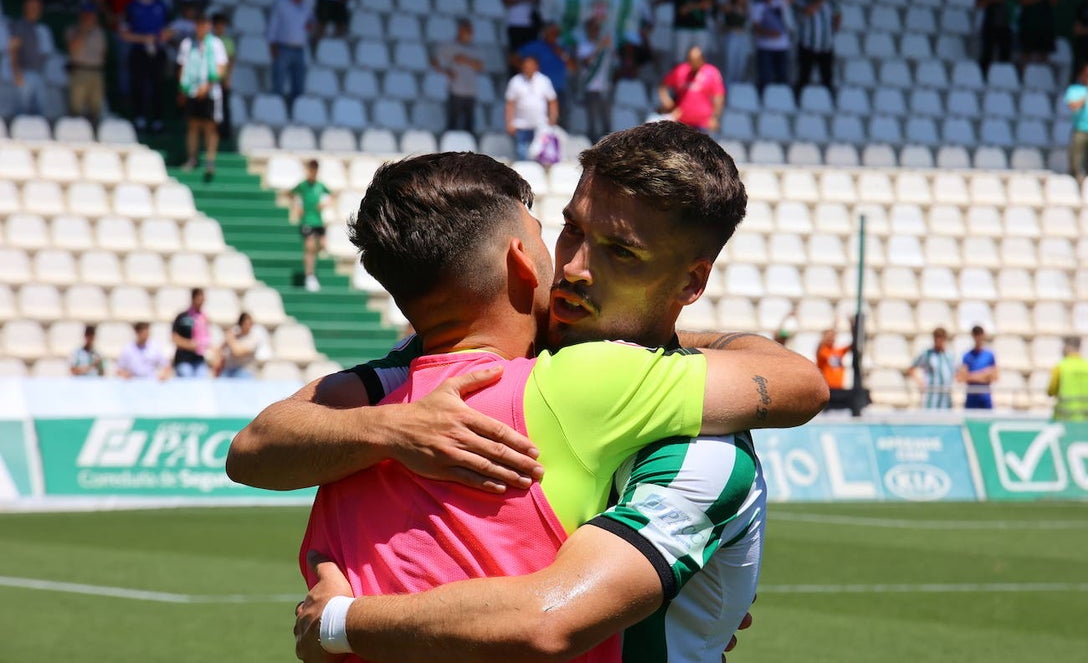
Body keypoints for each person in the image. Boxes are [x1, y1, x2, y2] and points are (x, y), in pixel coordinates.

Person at [225, 128, 828, 661]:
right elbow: (257, 444)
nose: (573, 269)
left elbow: (802, 384)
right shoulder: (463, 366)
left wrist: (339, 622)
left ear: (691, 281)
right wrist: (397, 429)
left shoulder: (703, 443)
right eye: (570, 229)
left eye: (620, 251)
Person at [176, 12, 228, 182]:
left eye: (205, 24)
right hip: (191, 89)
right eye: (199, 23)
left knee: (210, 127)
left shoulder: (216, 44)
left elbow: (221, 68)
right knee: (193, 125)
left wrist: (207, 86)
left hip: (210, 91)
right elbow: (182, 67)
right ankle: (192, 158)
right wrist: (183, 89)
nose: (202, 27)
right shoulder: (187, 44)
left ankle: (210, 160)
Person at [120, 0, 171, 133]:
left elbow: (168, 30)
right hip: (139, 51)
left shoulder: (161, 6)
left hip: (157, 51)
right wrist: (143, 38)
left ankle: (157, 120)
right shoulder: (132, 7)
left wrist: (162, 37)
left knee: (158, 85)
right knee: (139, 84)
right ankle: (139, 118)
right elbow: (124, 33)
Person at [267, 0, 314, 107]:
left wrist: (311, 24)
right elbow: (273, 24)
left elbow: (311, 20)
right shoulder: (281, 2)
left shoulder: (306, 4)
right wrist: (272, 44)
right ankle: (277, 110)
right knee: (279, 83)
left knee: (299, 84)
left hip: (299, 49)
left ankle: (296, 112)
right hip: (283, 47)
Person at [515, 22, 575, 125]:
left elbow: (573, 67)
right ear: (545, 33)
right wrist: (526, 70)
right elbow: (514, 58)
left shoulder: (562, 48)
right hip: (540, 92)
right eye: (552, 32)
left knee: (561, 123)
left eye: (556, 33)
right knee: (542, 123)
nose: (555, 35)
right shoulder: (535, 46)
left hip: (559, 91)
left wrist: (561, 53)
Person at [432, 18, 484, 136]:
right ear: (460, 31)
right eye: (467, 31)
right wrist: (446, 72)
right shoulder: (450, 46)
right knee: (452, 123)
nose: (470, 34)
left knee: (469, 125)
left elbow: (480, 66)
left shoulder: (475, 48)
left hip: (470, 91)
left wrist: (466, 60)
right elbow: (434, 60)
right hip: (456, 90)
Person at [658, 45, 725, 134]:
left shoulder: (712, 72)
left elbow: (719, 96)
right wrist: (668, 103)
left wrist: (715, 117)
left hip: (703, 123)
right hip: (681, 121)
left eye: (696, 60)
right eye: (691, 60)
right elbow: (663, 85)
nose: (693, 63)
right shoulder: (681, 70)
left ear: (702, 59)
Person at [656, 0, 711, 66]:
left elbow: (707, 3)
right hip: (681, 27)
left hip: (699, 27)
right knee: (679, 58)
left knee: (699, 58)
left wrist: (690, 7)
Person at [793, 0, 840, 100]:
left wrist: (834, 26)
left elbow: (837, 13)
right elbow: (808, 11)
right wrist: (820, 1)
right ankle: (799, 99)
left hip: (826, 46)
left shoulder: (829, 1)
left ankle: (829, 100)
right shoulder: (801, 1)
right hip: (808, 45)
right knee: (804, 76)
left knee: (827, 77)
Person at [504, 54, 558, 162]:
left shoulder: (544, 81)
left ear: (536, 67)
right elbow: (510, 103)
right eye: (526, 65)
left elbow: (552, 101)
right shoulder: (515, 81)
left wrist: (553, 117)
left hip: (540, 124)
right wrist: (509, 122)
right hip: (521, 125)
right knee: (522, 155)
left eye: (530, 65)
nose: (528, 68)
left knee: (540, 155)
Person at [290, 159, 332, 293]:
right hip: (307, 220)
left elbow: (330, 195)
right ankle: (309, 275)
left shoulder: (320, 186)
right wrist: (297, 206)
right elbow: (291, 194)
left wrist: (325, 204)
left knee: (319, 247)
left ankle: (311, 274)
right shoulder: (303, 185)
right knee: (309, 246)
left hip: (318, 221)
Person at [751, 0, 797, 91]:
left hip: (782, 46)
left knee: (782, 77)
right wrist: (769, 33)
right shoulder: (757, 6)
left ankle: (781, 101)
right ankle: (764, 100)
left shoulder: (780, 1)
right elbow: (755, 27)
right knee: (765, 78)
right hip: (765, 47)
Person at [65, 4, 107, 127]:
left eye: (93, 15)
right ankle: (74, 132)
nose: (91, 18)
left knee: (96, 107)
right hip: (79, 70)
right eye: (88, 15)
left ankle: (94, 133)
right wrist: (84, 31)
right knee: (76, 107)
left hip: (96, 71)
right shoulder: (72, 30)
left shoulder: (99, 32)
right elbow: (72, 49)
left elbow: (103, 53)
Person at [8, 0, 50, 117]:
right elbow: (13, 50)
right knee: (22, 111)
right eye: (32, 7)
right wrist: (17, 73)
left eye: (37, 7)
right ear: (25, 8)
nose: (35, 10)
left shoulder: (40, 28)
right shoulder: (19, 25)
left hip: (39, 74)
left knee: (39, 112)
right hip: (24, 74)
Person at [575, 16, 613, 143]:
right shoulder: (583, 45)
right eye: (592, 28)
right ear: (587, 30)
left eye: (597, 28)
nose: (595, 31)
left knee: (606, 120)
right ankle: (593, 146)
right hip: (590, 88)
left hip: (604, 87)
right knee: (592, 121)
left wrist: (606, 46)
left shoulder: (605, 46)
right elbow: (587, 62)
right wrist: (600, 47)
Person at [1016, 0, 1058, 72]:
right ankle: (1023, 78)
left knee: (1043, 54)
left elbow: (1054, 2)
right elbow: (1023, 0)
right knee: (1026, 53)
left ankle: (1041, 77)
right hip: (1029, 23)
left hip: (1045, 24)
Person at [1047, 336, 1088, 422]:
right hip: (1084, 420)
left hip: (1062, 419)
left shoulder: (1060, 366)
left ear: (1066, 347)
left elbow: (1050, 391)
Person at [976, 0, 1013, 79]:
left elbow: (1013, 3)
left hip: (1004, 24)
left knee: (1005, 52)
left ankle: (1002, 77)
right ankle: (983, 76)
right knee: (987, 52)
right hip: (990, 24)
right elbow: (979, 4)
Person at [905, 327, 955, 410]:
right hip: (932, 396)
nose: (939, 340)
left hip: (946, 397)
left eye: (941, 338)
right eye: (937, 337)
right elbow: (911, 368)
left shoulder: (950, 355)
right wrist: (920, 381)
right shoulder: (927, 354)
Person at [171, 288, 212, 378]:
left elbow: (206, 338)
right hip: (184, 359)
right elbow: (174, 338)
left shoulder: (204, 318)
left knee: (202, 379)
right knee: (187, 376)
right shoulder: (182, 317)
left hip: (198, 359)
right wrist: (189, 345)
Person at [956, 325, 997, 409]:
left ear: (983, 336)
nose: (978, 337)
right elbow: (961, 378)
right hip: (971, 398)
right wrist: (984, 374)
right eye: (976, 334)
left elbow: (995, 376)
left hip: (985, 398)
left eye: (980, 334)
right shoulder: (967, 356)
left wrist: (970, 375)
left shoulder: (989, 355)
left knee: (986, 421)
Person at [217, 312, 269, 378]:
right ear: (241, 324)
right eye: (246, 324)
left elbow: (237, 352)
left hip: (245, 371)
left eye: (250, 324)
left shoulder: (254, 338)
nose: (249, 326)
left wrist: (230, 338)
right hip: (228, 371)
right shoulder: (235, 335)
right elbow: (220, 349)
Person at [211, 12, 235, 141]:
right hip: (210, 80)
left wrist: (227, 77)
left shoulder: (227, 41)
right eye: (218, 25)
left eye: (223, 25)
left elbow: (231, 60)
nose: (221, 27)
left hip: (222, 80)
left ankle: (225, 134)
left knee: (224, 107)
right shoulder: (209, 41)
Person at [720, 0, 751, 84]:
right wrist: (732, 28)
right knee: (730, 65)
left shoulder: (747, 9)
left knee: (741, 65)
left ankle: (738, 88)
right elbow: (721, 25)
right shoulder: (729, 8)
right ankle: (728, 87)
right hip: (732, 37)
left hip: (743, 38)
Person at [816, 325, 851, 391]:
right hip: (826, 388)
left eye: (833, 336)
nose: (831, 338)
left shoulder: (838, 351)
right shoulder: (823, 351)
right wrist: (824, 339)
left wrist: (853, 328)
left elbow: (853, 346)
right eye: (829, 336)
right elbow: (818, 350)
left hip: (839, 387)